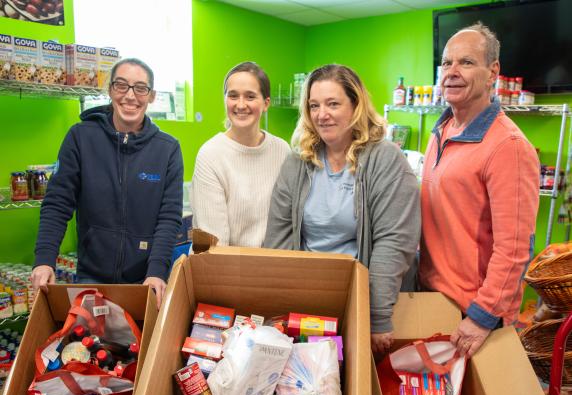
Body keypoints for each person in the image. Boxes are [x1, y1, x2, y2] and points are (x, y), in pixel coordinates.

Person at [264, 64, 420, 354]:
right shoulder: (298, 161)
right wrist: (281, 303)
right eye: (314, 105)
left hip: (361, 298)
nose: (322, 114)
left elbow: (394, 241)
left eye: (333, 104)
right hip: (308, 300)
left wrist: (377, 316)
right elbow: (279, 235)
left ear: (356, 106)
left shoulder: (385, 159)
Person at [419, 23, 540, 358]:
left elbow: (514, 248)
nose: (452, 72)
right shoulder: (441, 130)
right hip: (434, 298)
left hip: (471, 315)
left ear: (493, 72)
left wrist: (482, 317)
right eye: (446, 63)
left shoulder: (508, 146)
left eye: (466, 63)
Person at [32, 58, 184, 308]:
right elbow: (57, 204)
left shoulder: (167, 149)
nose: (130, 96)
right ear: (111, 89)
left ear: (152, 96)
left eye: (140, 88)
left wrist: (156, 270)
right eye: (121, 85)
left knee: (144, 347)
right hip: (91, 278)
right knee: (87, 346)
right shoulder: (80, 137)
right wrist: (44, 260)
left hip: (145, 280)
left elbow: (168, 217)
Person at [191, 61, 290, 247]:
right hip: (224, 269)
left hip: (274, 266)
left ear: (266, 103)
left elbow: (287, 224)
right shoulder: (211, 155)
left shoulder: (282, 151)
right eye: (233, 96)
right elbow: (213, 245)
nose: (241, 105)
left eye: (250, 96)